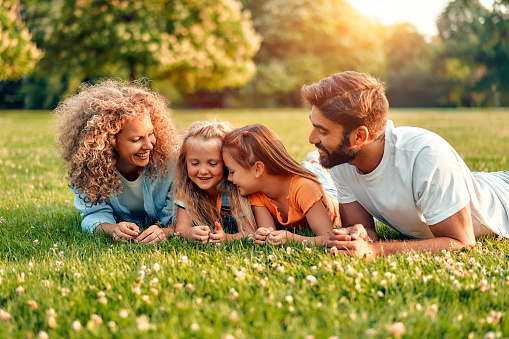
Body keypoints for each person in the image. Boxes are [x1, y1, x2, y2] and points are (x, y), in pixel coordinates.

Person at [301, 71, 509, 258]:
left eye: (323, 131)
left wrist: (374, 251)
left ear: (359, 136)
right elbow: (364, 228)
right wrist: (360, 234)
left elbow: (462, 243)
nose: (312, 138)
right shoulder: (342, 159)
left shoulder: (425, 155)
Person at [55, 79, 179, 243]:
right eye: (136, 139)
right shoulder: (90, 169)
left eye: (151, 133)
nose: (149, 145)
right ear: (108, 141)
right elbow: (92, 215)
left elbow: (181, 214)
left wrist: (166, 231)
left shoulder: (171, 163)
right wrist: (111, 228)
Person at [222, 124, 341, 246]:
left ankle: (315, 162)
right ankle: (312, 164)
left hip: (330, 195)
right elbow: (269, 231)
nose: (229, 179)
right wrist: (264, 235)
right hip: (303, 186)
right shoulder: (256, 192)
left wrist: (293, 239)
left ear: (257, 169)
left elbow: (329, 238)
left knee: (318, 176)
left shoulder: (305, 188)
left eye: (232, 172)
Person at [173, 121, 257, 243]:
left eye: (212, 163)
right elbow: (181, 229)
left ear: (227, 163)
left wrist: (227, 238)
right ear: (184, 163)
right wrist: (189, 233)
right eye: (195, 163)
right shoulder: (186, 191)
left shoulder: (236, 192)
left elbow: (250, 232)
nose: (202, 171)